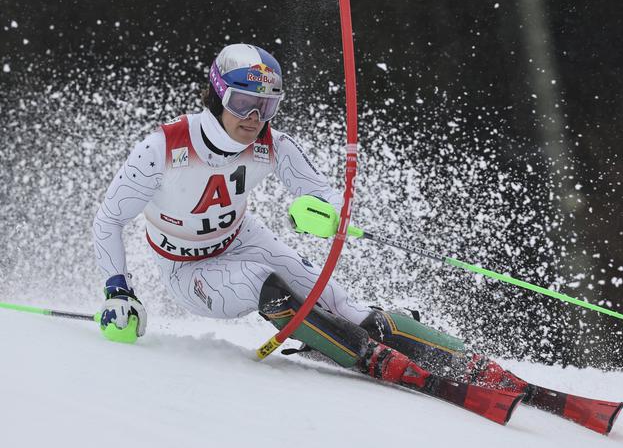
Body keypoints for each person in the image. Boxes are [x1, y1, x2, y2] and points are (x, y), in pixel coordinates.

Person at [93, 43, 527, 394]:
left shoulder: (271, 143)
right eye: (244, 102)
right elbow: (109, 220)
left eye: (267, 106)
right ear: (217, 94)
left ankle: (456, 358)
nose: (254, 118)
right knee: (265, 286)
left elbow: (319, 192)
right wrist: (118, 291)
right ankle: (363, 355)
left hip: (241, 237)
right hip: (187, 269)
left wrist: (319, 211)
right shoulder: (162, 148)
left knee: (340, 304)